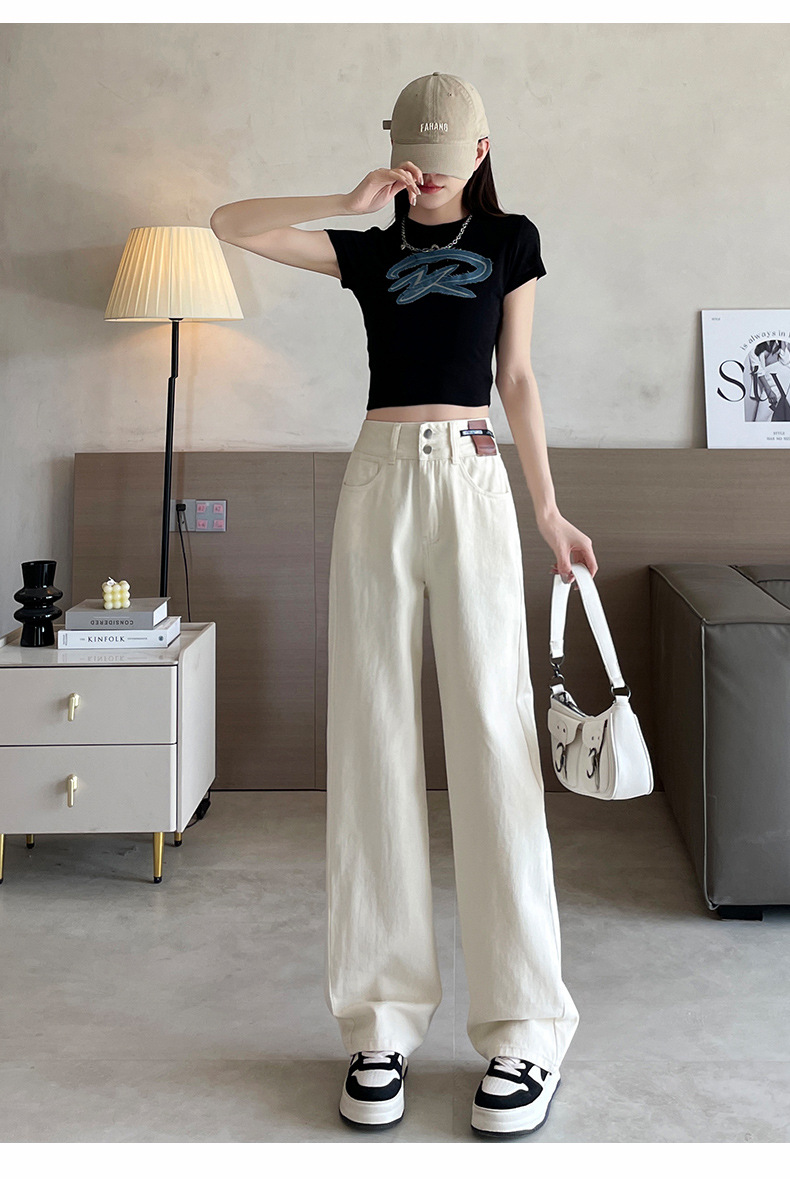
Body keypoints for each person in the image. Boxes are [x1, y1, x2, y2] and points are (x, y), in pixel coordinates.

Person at [211, 71, 598, 1141]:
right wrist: (347, 201)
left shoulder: (511, 239)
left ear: (481, 150)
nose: (428, 174)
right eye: (412, 158)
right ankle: (378, 1022)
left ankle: (524, 1030)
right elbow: (229, 223)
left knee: (494, 739)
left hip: (472, 477)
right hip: (378, 480)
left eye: (445, 156)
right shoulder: (367, 251)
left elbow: (517, 379)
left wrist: (547, 510)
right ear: (398, 153)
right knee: (373, 738)